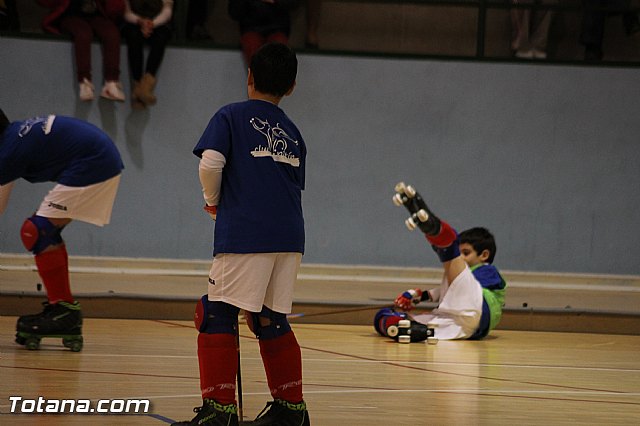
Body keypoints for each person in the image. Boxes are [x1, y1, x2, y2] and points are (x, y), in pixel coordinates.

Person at [172, 43, 309, 426]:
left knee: (214, 311)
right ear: (292, 86)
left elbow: (211, 162)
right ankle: (292, 412)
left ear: (248, 76)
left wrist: (212, 200)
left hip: (248, 232)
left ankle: (219, 413)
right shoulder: (294, 132)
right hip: (290, 235)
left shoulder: (230, 115)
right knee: (270, 317)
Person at [0, 109, 124, 351]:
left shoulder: (9, 150)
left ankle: (64, 311)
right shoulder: (13, 138)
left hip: (94, 160)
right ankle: (63, 310)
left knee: (36, 231)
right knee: (42, 231)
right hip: (97, 156)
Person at [374, 191, 507, 342]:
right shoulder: (461, 282)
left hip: (477, 312)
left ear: (484, 255)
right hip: (460, 323)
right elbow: (450, 289)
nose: (462, 257)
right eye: (460, 252)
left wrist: (451, 253)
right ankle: (412, 329)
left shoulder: (488, 270)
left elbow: (462, 287)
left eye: (466, 252)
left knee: (452, 260)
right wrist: (416, 297)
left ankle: (442, 239)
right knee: (384, 316)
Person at [37, 0, 126, 102]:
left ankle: (112, 82)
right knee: (83, 34)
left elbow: (117, 7)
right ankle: (84, 82)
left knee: (112, 34)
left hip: (96, 15)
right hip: (69, 15)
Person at [122, 0, 173, 109]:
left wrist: (152, 24)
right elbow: (126, 12)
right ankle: (137, 84)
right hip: (134, 22)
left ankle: (145, 87)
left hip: (158, 23)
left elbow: (167, 11)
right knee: (133, 37)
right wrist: (140, 21)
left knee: (161, 38)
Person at [228, 0, 300, 66]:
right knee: (253, 48)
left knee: (280, 54)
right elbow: (234, 12)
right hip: (251, 27)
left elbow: (293, 3)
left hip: (278, 27)